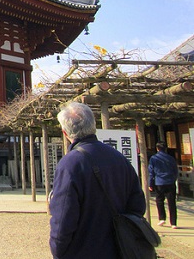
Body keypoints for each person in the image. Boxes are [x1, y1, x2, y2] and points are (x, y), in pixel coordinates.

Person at [49, 102, 146, 259]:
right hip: (120, 249)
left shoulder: (69, 164)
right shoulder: (119, 158)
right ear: (93, 125)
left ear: (65, 132)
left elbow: (63, 219)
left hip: (82, 250)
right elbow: (138, 205)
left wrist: (58, 250)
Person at [149, 141, 179, 229]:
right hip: (170, 182)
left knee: (159, 200)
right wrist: (173, 179)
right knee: (172, 202)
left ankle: (162, 218)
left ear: (157, 148)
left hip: (159, 182)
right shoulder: (171, 158)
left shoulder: (154, 158)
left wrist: (151, 183)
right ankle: (173, 223)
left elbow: (151, 172)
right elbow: (175, 170)